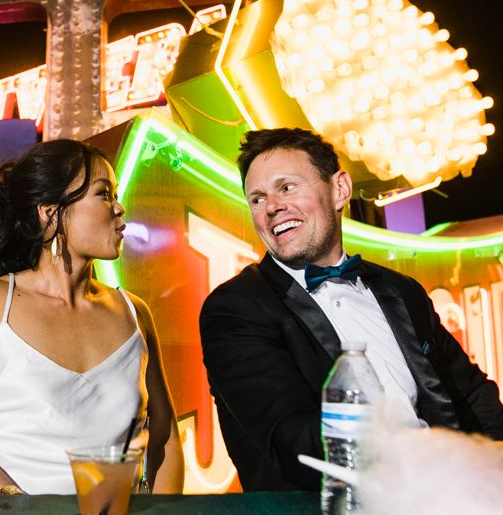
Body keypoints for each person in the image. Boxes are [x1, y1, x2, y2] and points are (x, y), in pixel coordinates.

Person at [199, 127, 503, 492]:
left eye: (287, 187)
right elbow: (294, 443)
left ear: (339, 189)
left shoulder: (400, 290)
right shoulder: (235, 309)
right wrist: (431, 459)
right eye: (257, 199)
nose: (272, 207)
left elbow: (470, 393)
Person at [0, 139, 184, 496]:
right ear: (50, 213)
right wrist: (21, 510)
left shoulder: (134, 313)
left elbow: (165, 437)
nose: (120, 208)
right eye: (104, 194)